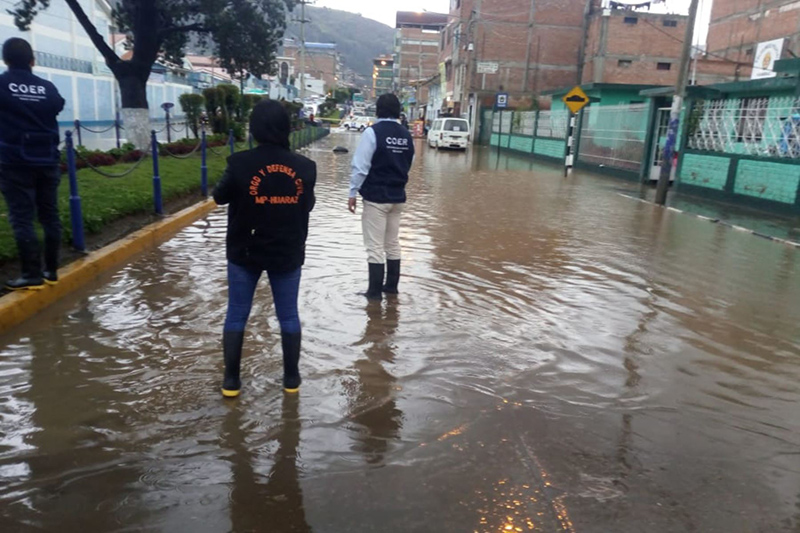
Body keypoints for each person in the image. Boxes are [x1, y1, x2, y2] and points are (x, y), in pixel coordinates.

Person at [213, 100, 316, 398]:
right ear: (286, 128)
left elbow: (219, 196)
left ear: (254, 128)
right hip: (287, 251)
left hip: (245, 250)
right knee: (288, 315)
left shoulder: (239, 163)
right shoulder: (305, 167)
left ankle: (231, 382)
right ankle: (291, 380)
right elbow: (307, 205)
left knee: (236, 314)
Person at [0, 38, 65, 291]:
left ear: (5, 60)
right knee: (50, 215)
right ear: (32, 61)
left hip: (14, 162)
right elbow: (58, 105)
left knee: (22, 218)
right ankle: (52, 270)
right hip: (47, 159)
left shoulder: (2, 84)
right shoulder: (47, 87)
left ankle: (31, 273)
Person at [348, 93, 414, 301]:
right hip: (397, 197)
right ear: (398, 111)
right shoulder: (406, 135)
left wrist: (352, 192)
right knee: (392, 243)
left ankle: (374, 294)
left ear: (378, 110)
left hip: (376, 198)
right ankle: (391, 289)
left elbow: (360, 166)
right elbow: (407, 163)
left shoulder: (372, 132)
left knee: (375, 247)